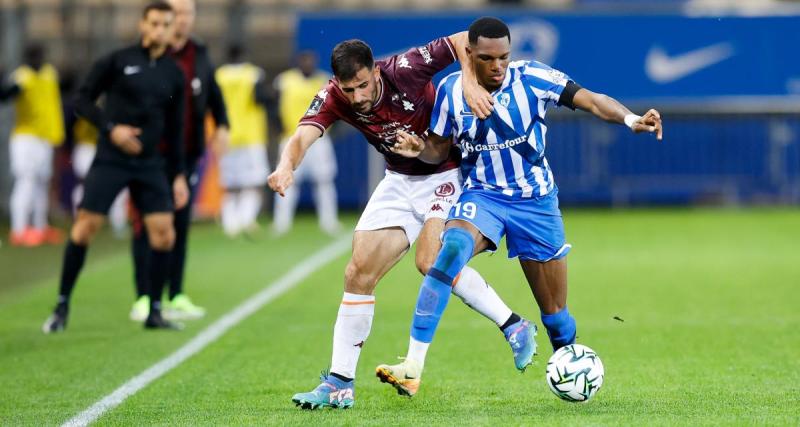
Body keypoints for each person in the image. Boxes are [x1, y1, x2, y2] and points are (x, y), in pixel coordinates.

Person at [375, 17, 663, 396]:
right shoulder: (449, 90)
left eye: (504, 58)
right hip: (482, 197)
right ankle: (412, 366)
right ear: (470, 55)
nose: (497, 66)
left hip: (536, 203)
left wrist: (630, 118)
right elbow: (438, 150)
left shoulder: (533, 76)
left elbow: (590, 99)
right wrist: (418, 150)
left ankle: (569, 368)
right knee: (450, 253)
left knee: (557, 319)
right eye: (488, 58)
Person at [268, 34, 534, 410]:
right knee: (358, 272)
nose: (358, 96)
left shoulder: (405, 69)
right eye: (349, 89)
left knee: (429, 262)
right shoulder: (333, 96)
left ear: (375, 71)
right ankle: (339, 383)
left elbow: (462, 39)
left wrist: (470, 82)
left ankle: (514, 325)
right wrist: (284, 166)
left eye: (363, 85)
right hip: (398, 181)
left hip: (444, 173)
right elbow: (303, 135)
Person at [42, 0, 189, 333]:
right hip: (111, 159)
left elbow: (177, 127)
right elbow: (81, 100)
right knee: (84, 228)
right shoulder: (117, 61)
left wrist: (178, 173)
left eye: (166, 25)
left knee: (164, 235)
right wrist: (112, 129)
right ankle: (62, 305)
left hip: (150, 163)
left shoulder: (173, 73)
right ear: (142, 25)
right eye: (154, 23)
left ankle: (154, 310)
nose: (160, 30)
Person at [129, 0, 229, 322]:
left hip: (187, 152)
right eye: (178, 14)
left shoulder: (198, 52)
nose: (183, 20)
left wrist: (223, 124)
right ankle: (145, 296)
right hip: (149, 153)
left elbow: (213, 91)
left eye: (188, 14)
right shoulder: (146, 56)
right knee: (148, 223)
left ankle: (175, 293)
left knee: (180, 222)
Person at [0, 44, 65, 247]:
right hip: (26, 138)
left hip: (45, 137)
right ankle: (19, 230)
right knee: (25, 181)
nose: (37, 59)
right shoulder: (22, 76)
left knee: (42, 183)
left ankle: (39, 227)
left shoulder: (49, 74)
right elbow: (7, 95)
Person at [272, 51, 340, 236]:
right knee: (286, 180)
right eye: (304, 60)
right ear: (298, 62)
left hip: (319, 139)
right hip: (291, 137)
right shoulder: (284, 80)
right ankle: (281, 224)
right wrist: (279, 128)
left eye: (310, 61)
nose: (307, 64)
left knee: (324, 181)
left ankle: (329, 221)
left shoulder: (324, 81)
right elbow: (273, 105)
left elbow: (338, 109)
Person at [214, 44, 270, 237]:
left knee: (230, 185)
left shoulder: (219, 76)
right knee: (253, 182)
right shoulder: (253, 74)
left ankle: (230, 225)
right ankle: (246, 220)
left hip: (226, 135)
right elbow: (260, 99)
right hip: (250, 135)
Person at [71, 117, 129, 238]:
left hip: (104, 149)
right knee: (85, 186)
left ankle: (119, 224)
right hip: (87, 148)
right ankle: (80, 222)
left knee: (117, 186)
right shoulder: (86, 106)